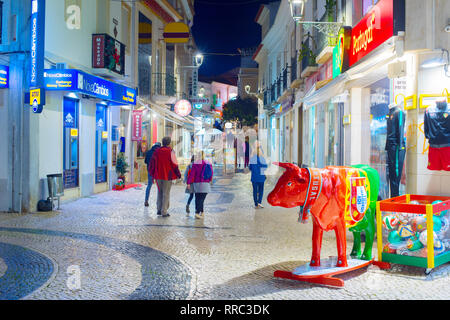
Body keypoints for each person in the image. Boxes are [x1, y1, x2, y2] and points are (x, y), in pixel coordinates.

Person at [148, 136, 181, 217]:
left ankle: (159, 209)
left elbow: (152, 163)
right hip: (167, 176)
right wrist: (178, 174)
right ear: (169, 143)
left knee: (160, 192)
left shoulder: (157, 151)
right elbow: (174, 164)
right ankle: (164, 211)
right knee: (166, 193)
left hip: (158, 175)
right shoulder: (170, 151)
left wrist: (152, 173)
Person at [187, 151, 214, 219]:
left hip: (197, 184)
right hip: (205, 183)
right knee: (202, 199)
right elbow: (211, 173)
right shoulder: (207, 163)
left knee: (198, 198)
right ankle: (197, 212)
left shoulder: (196, 164)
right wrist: (210, 180)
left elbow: (192, 174)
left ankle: (201, 212)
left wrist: (189, 183)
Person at [249, 143, 268, 209]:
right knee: (261, 190)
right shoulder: (262, 158)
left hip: (254, 178)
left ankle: (256, 204)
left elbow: (250, 168)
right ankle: (259, 202)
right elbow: (265, 167)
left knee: (255, 190)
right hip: (261, 178)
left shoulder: (252, 159)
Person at [144, 142, 161, 207]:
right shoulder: (159, 152)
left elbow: (145, 161)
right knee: (159, 187)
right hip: (157, 171)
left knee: (149, 185)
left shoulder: (148, 152)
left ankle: (146, 201)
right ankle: (158, 203)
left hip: (150, 171)